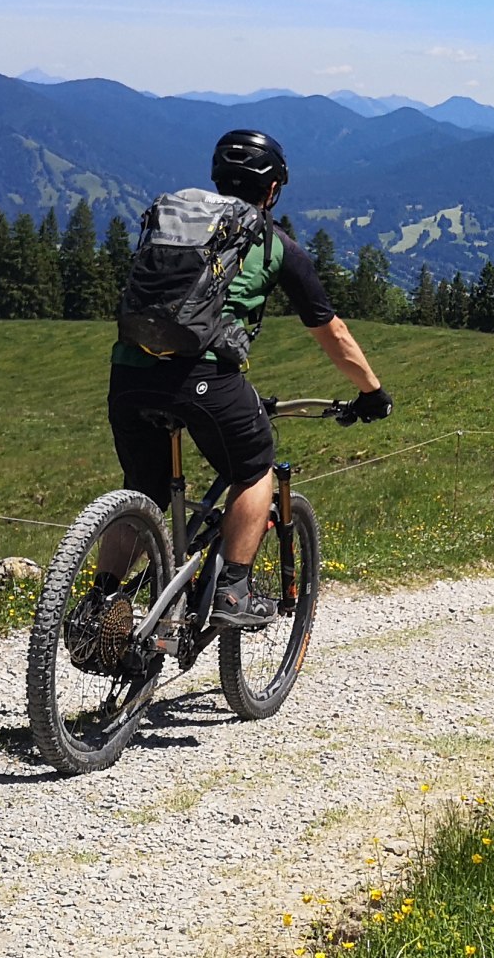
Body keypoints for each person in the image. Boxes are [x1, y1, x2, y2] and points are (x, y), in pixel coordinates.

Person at [106, 129, 392, 626]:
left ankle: (100, 605)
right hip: (204, 376)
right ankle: (233, 591)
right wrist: (372, 392)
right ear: (273, 190)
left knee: (144, 490)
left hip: (129, 373)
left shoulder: (178, 226)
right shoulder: (272, 243)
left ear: (217, 178)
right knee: (254, 468)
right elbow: (333, 333)